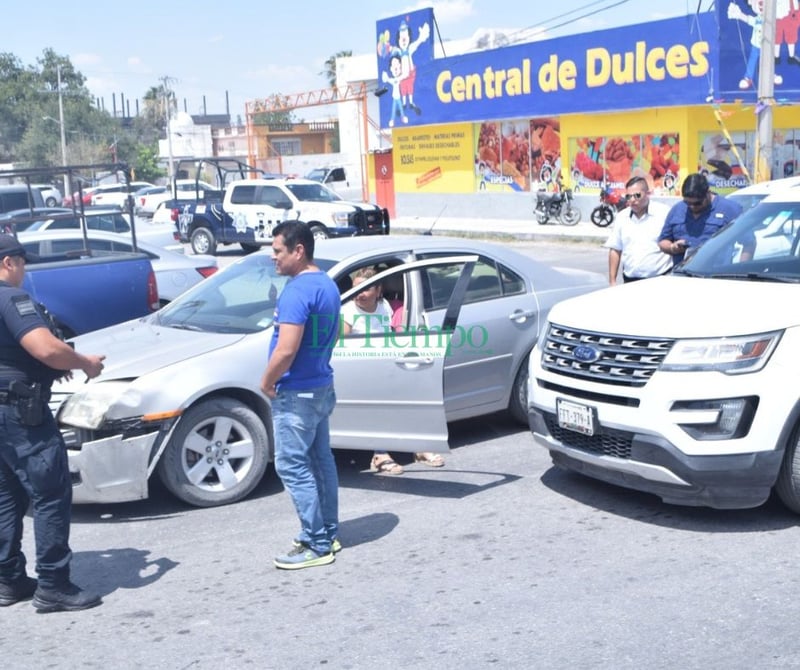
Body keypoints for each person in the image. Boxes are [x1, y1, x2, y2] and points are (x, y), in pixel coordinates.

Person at [0, 234, 106, 612]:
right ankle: (53, 585)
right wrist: (84, 363)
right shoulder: (12, 298)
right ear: (10, 262)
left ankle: (9, 580)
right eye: (22, 263)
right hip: (20, 414)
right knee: (50, 494)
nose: (23, 270)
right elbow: (44, 347)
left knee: (7, 495)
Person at [260, 221, 341, 570]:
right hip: (320, 387)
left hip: (296, 393)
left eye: (278, 250)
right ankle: (328, 531)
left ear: (299, 250)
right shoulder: (327, 285)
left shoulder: (296, 292)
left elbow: (285, 350)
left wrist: (266, 382)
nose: (272, 257)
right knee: (321, 462)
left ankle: (317, 542)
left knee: (292, 465)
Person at [340, 267, 445, 475]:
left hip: (383, 365)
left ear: (378, 291)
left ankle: (418, 447)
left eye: (365, 289)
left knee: (409, 396)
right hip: (358, 368)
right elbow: (343, 346)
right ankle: (380, 453)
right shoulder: (347, 310)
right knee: (379, 400)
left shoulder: (385, 307)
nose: (359, 294)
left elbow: (390, 337)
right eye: (355, 289)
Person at [658, 172, 744, 264]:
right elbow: (663, 241)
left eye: (697, 203)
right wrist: (673, 248)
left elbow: (748, 243)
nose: (692, 207)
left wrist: (742, 270)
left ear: (708, 193)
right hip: (682, 274)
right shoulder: (677, 210)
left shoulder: (730, 209)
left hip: (717, 274)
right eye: (687, 203)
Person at [604, 176, 673, 285]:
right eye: (628, 196)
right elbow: (615, 249)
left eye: (637, 195)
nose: (632, 200)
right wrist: (612, 280)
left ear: (647, 193)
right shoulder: (622, 217)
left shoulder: (663, 213)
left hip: (660, 280)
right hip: (630, 281)